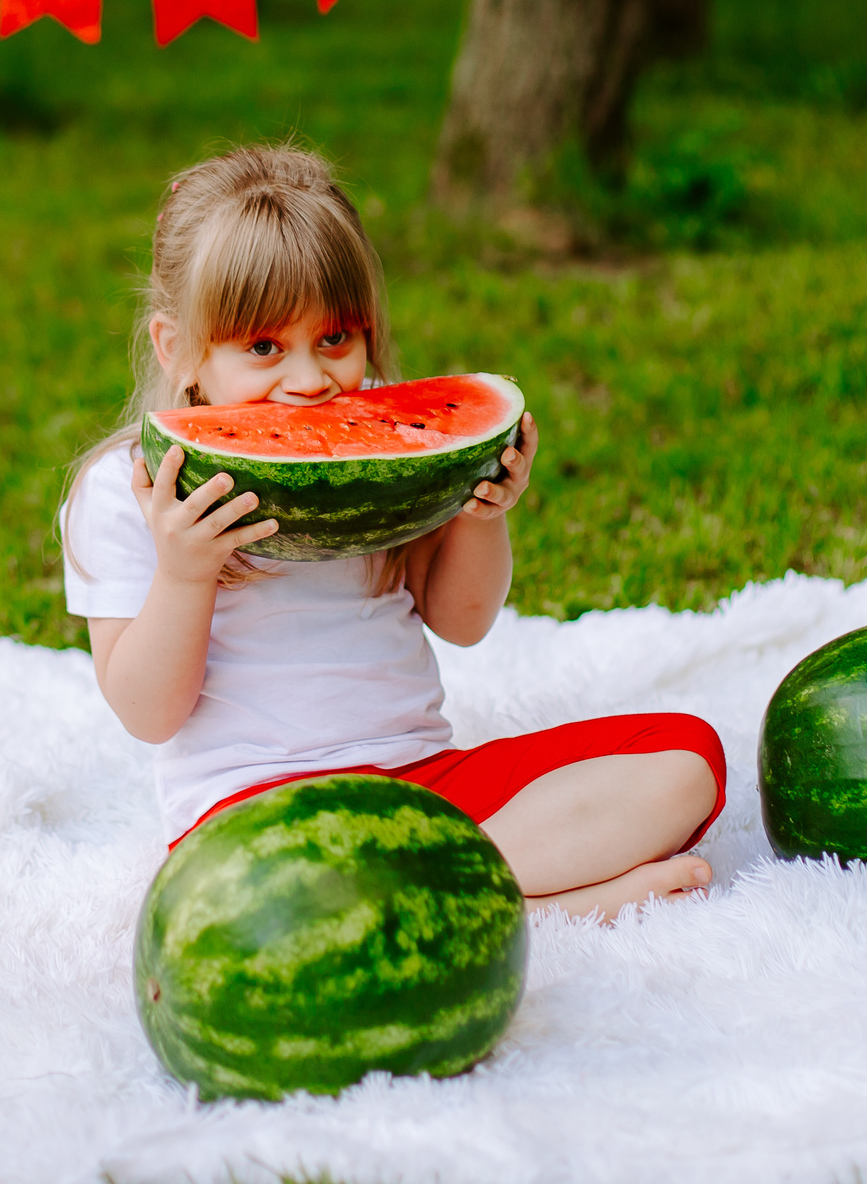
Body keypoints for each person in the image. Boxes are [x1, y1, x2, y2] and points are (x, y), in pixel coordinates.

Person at [60, 145, 724, 920]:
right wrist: (184, 570)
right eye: (265, 347)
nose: (309, 381)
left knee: (688, 758)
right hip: (256, 823)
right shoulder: (123, 493)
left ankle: (436, 889)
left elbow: (462, 623)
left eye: (335, 338)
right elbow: (149, 712)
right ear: (180, 351)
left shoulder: (392, 437)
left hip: (427, 783)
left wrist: (482, 515)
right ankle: (539, 900)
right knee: (255, 901)